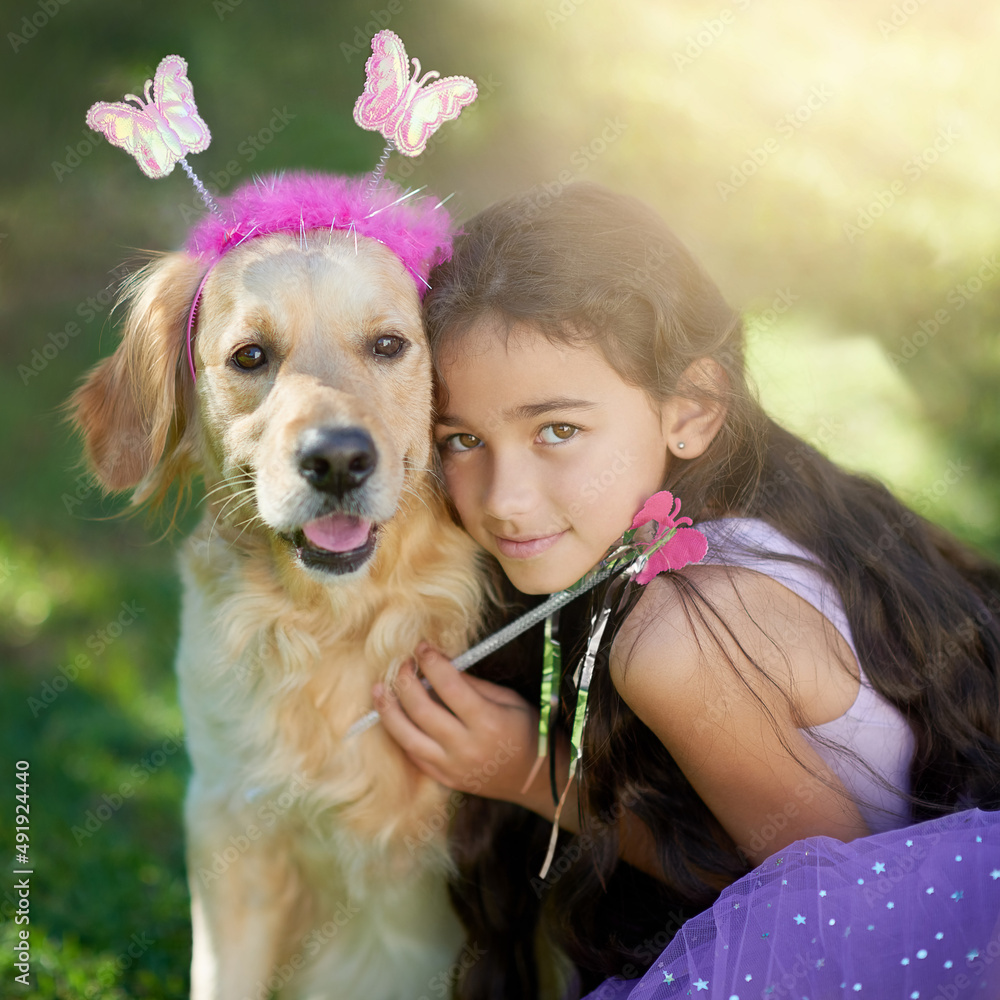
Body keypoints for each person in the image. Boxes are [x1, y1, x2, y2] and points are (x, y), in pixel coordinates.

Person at [372, 182, 1000, 999]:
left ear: (692, 408)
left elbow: (839, 927)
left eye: (557, 430)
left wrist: (529, 770)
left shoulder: (681, 633)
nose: (503, 497)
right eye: (461, 440)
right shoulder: (760, 499)